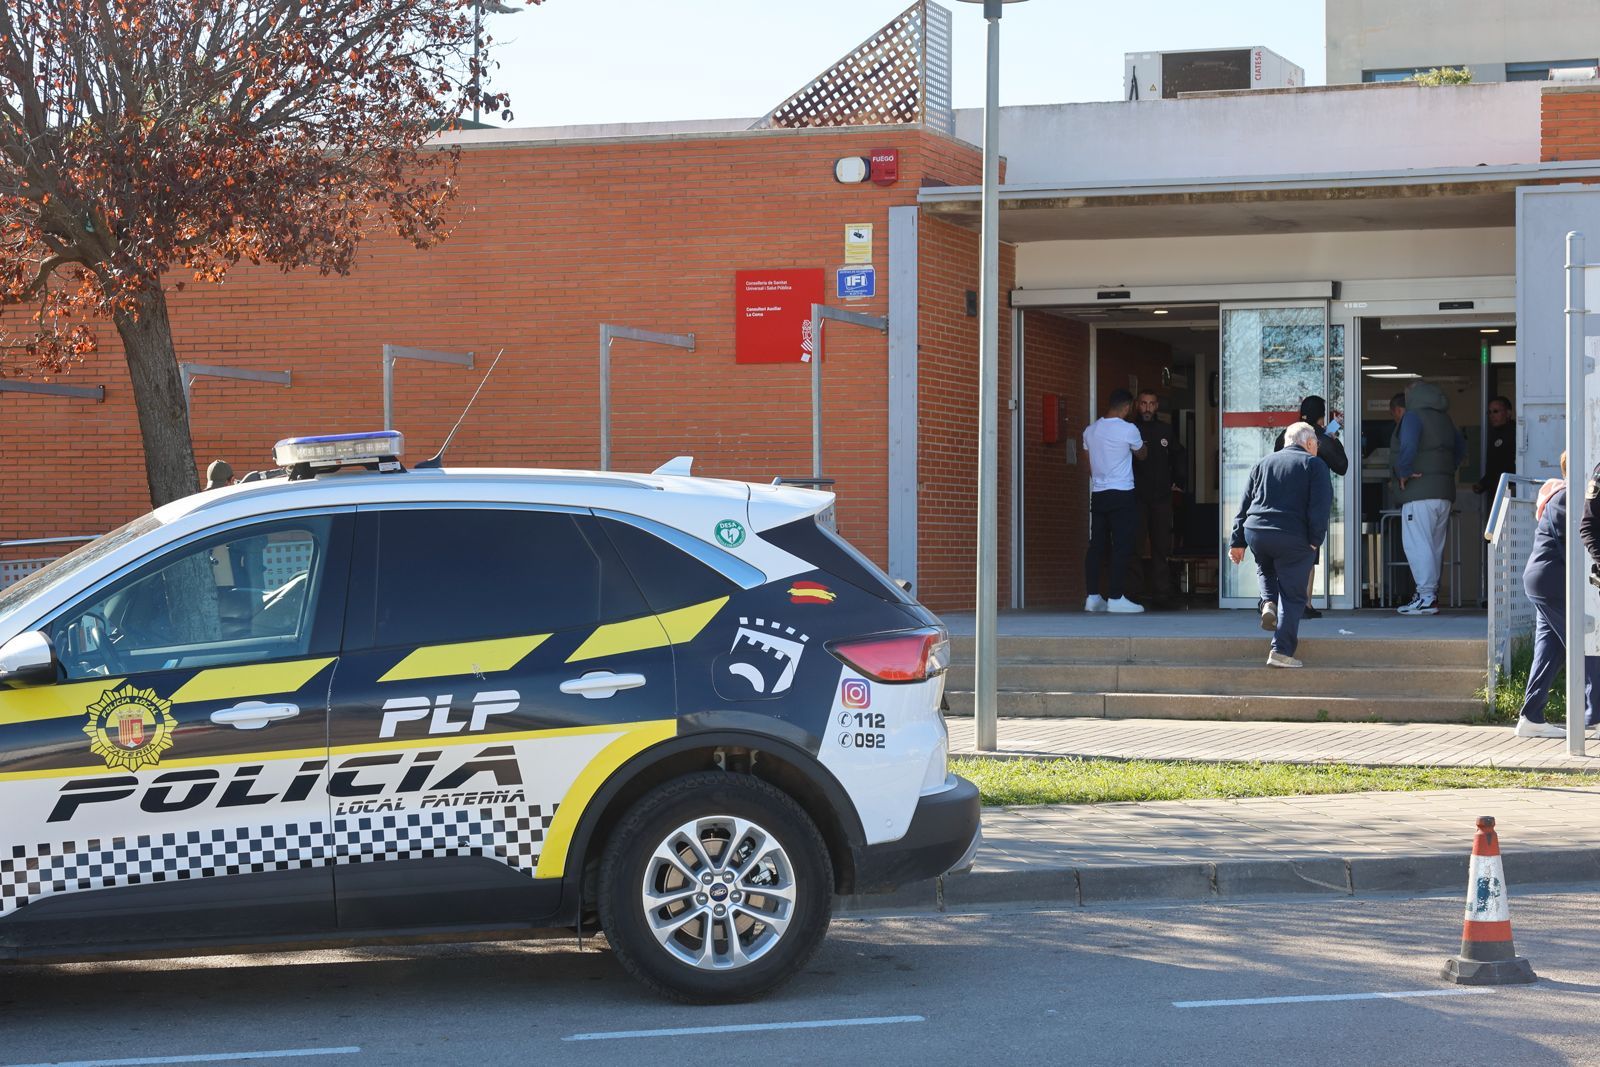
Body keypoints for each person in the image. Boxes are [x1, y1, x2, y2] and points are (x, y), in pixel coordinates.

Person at [1228, 422, 1332, 668]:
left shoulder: (1263, 463)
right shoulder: (1314, 464)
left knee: (1265, 568)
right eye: (1316, 443)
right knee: (1294, 596)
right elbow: (1320, 506)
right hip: (1292, 535)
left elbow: (1244, 504)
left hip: (1257, 531)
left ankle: (1268, 603)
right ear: (1308, 443)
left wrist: (1237, 541)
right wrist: (1315, 540)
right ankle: (1281, 651)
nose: (1316, 447)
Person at [1514, 452, 1600, 738]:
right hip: (1553, 583)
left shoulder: (1556, 494)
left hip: (1543, 581)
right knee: (1585, 643)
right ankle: (1593, 714)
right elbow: (1585, 531)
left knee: (1549, 650)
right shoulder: (1568, 498)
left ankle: (1531, 716)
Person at [1392, 380, 1466, 616]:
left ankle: (1425, 596)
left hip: (1419, 491)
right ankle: (1429, 595)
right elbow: (1461, 448)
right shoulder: (1444, 418)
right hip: (1443, 492)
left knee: (1417, 544)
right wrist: (1444, 470)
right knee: (1434, 546)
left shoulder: (1414, 416)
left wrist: (1403, 471)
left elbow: (1409, 444)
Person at [1272, 395, 1348, 619]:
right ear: (1321, 416)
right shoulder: (1319, 436)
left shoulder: (1285, 435)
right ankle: (1304, 603)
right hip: (1310, 502)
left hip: (1284, 503)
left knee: (1285, 553)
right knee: (1309, 552)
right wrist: (1333, 437)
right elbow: (1342, 466)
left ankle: (1280, 601)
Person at [1082, 389, 1147, 614]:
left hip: (1099, 493)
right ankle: (1116, 597)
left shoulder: (1090, 431)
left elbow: (1089, 465)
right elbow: (1142, 454)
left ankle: (1092, 597)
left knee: (1096, 545)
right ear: (1127, 407)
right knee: (1122, 545)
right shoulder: (1129, 429)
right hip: (1122, 492)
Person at [1129, 388, 1184, 609]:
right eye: (1143, 403)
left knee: (1161, 545)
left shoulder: (1165, 430)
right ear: (1136, 405)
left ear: (1157, 406)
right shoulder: (1130, 430)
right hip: (1136, 496)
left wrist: (1179, 481)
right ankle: (1133, 593)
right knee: (1135, 545)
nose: (1147, 408)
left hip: (1161, 496)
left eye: (1151, 404)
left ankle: (1162, 593)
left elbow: (1179, 455)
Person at [1472, 395, 1516, 496]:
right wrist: (1482, 484)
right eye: (1489, 412)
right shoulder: (1493, 435)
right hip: (1496, 491)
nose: (1492, 415)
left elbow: (1506, 465)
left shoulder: (1516, 433)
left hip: (1510, 490)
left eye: (1496, 411)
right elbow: (1494, 467)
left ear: (1508, 413)